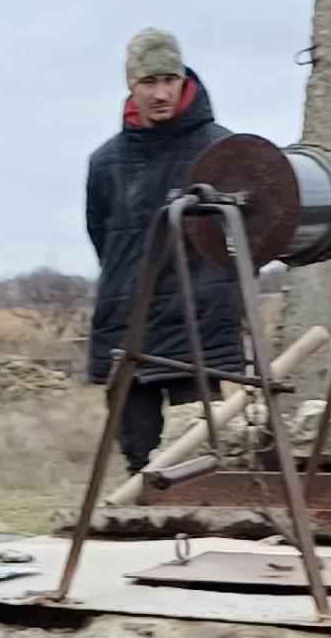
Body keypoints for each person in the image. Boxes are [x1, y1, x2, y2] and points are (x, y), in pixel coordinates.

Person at [85, 30, 243, 472]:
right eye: (148, 82)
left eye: (169, 79)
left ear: (184, 80)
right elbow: (105, 239)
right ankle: (143, 532)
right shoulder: (106, 162)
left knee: (198, 454)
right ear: (132, 86)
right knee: (138, 455)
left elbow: (243, 236)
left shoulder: (221, 148)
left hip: (198, 324)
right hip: (128, 323)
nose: (160, 93)